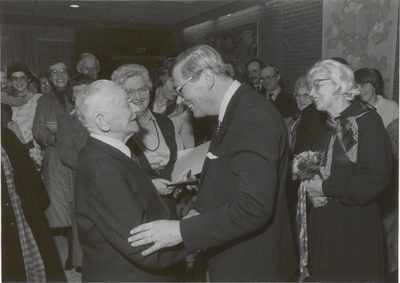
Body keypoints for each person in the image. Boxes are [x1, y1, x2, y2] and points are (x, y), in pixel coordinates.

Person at [128, 45, 297, 282]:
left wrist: (180, 231)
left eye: (181, 90)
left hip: (252, 263)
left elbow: (254, 208)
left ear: (206, 78)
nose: (181, 99)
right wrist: (198, 209)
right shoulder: (232, 110)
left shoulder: (251, 116)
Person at [74, 80, 187, 281]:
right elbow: (142, 246)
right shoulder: (104, 168)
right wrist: (194, 234)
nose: (136, 108)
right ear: (103, 121)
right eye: (126, 104)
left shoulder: (102, 153)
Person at [304, 59, 392, 282]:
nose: (310, 92)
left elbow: (374, 179)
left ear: (338, 84)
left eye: (317, 85)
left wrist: (325, 187)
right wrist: (313, 190)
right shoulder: (327, 124)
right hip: (324, 223)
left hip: (354, 227)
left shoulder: (368, 121)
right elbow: (320, 169)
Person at [111, 64, 185, 219]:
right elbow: (115, 178)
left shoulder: (166, 123)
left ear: (150, 90)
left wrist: (181, 182)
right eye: (129, 91)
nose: (138, 97)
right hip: (137, 209)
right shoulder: (116, 130)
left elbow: (180, 160)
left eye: (142, 89)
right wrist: (150, 185)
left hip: (169, 206)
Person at [2, 127, 66, 282]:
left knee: (34, 257)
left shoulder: (5, 135)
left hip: (20, 208)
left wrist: (37, 204)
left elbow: (26, 170)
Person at [32, 58, 74, 270]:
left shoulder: (78, 97)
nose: (59, 76)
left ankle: (81, 250)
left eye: (63, 71)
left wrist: (62, 130)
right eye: (54, 72)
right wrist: (54, 137)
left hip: (77, 156)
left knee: (80, 202)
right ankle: (71, 247)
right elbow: (38, 130)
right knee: (60, 206)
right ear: (49, 77)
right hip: (55, 159)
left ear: (69, 74)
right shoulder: (43, 102)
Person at [57, 73, 95, 272]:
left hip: (105, 174)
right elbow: (65, 152)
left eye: (85, 91)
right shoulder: (65, 120)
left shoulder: (102, 112)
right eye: (77, 92)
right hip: (80, 176)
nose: (81, 97)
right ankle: (84, 264)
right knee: (81, 222)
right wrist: (89, 164)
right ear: (71, 96)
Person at [152, 57, 194, 149]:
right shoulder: (145, 104)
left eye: (180, 86)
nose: (177, 91)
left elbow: (189, 146)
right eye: (173, 83)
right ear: (162, 78)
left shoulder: (182, 109)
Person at [7, 62, 44, 170]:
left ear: (28, 79)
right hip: (12, 153)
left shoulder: (38, 99)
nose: (19, 82)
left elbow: (33, 126)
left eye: (22, 78)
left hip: (31, 152)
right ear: (10, 81)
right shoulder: (8, 102)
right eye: (15, 78)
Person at [285, 76, 327, 154]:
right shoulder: (289, 121)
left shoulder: (319, 120)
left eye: (305, 95)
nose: (301, 99)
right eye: (298, 95)